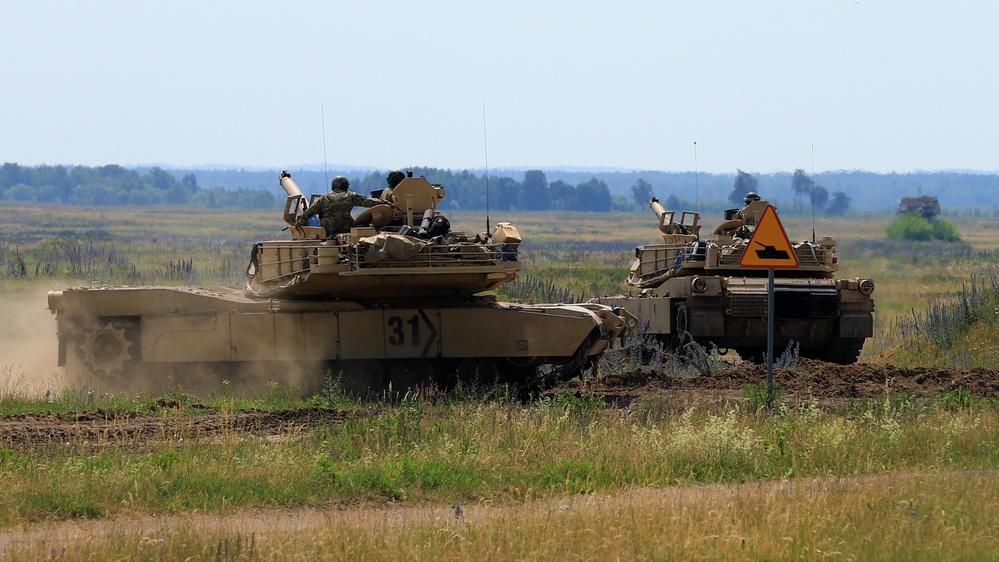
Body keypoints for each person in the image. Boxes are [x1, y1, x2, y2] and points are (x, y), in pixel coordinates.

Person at [296, 176, 383, 237]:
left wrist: (300, 222)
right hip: (348, 230)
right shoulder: (351, 196)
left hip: (329, 232)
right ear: (346, 186)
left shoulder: (324, 198)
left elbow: (309, 212)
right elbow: (369, 202)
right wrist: (384, 202)